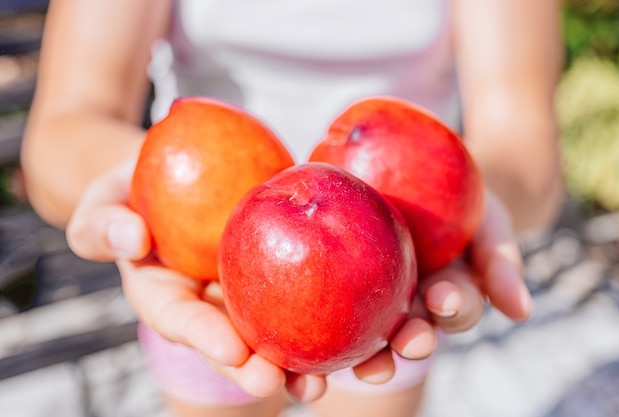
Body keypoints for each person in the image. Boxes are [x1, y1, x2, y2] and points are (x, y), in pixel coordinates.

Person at [20, 0, 563, 416]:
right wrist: (149, 176)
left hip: (390, 281)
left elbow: (524, 138)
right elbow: (61, 132)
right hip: (205, 275)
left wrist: (476, 199)